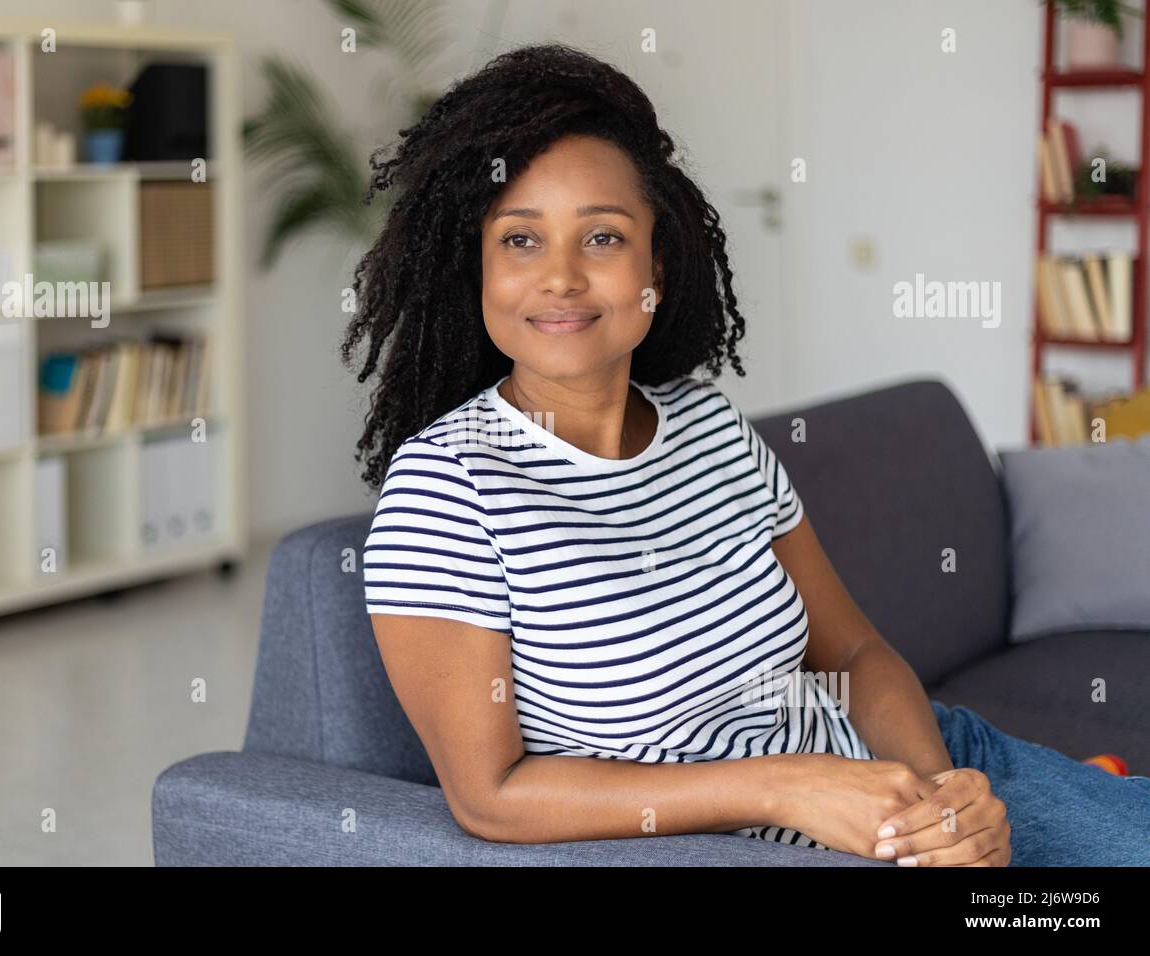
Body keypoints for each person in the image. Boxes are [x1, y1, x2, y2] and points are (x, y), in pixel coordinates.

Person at [342, 43, 1150, 866]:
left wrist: (938, 803)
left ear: (656, 265)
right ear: (474, 263)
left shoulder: (711, 428)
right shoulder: (445, 488)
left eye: (602, 238)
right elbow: (492, 797)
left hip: (924, 775)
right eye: (520, 240)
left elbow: (857, 655)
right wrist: (786, 785)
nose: (560, 278)